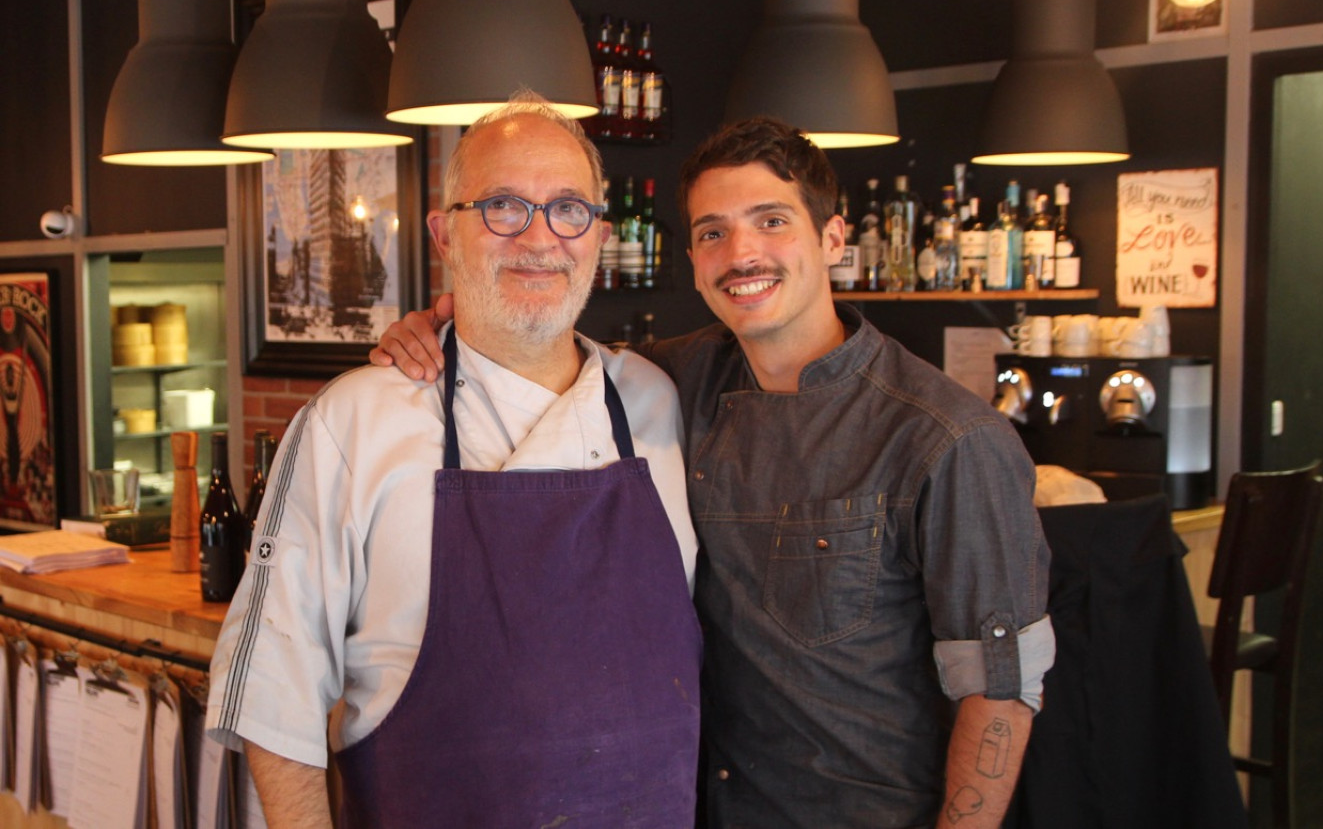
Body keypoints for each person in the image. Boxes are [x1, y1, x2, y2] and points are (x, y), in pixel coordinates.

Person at [373, 116, 1055, 828]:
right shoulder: (672, 381)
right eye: (712, 232)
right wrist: (439, 326)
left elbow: (999, 689)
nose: (741, 253)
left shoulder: (948, 438)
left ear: (832, 239)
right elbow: (537, 348)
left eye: (771, 221)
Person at [207, 95, 702, 828]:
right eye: (503, 205)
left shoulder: (655, 401)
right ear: (445, 234)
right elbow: (272, 688)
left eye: (569, 209)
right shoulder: (354, 420)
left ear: (599, 235)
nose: (540, 237)